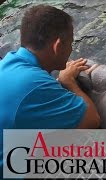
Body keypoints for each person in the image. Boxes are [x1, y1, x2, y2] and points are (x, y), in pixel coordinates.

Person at [0, 5, 100, 176]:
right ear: (58, 45)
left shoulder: (8, 63)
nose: (71, 50)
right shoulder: (36, 85)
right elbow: (92, 120)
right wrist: (68, 82)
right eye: (70, 43)